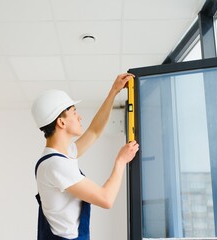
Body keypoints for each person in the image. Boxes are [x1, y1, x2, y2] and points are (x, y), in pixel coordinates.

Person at [31, 73, 139, 240]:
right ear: (61, 122)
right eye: (74, 112)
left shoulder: (62, 156)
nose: (79, 117)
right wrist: (121, 161)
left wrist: (113, 92)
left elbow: (94, 131)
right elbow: (106, 199)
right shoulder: (56, 165)